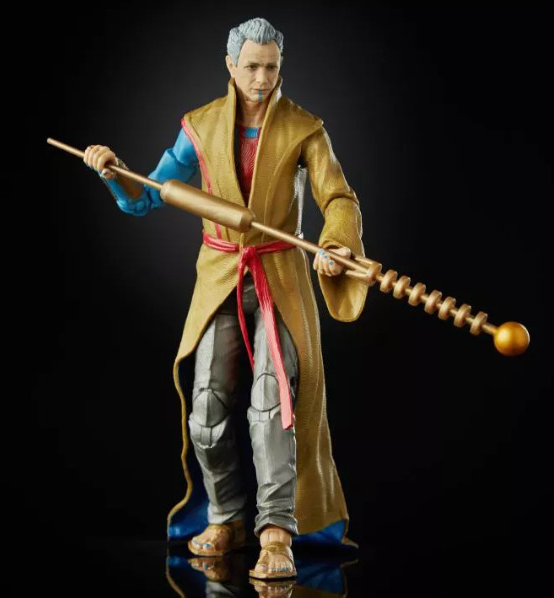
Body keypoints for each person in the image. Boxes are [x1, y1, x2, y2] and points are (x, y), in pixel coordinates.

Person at [83, 17, 368, 580]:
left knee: (272, 405)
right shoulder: (202, 126)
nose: (262, 78)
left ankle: (276, 531)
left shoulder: (304, 129)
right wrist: (114, 173)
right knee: (207, 410)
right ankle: (227, 515)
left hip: (279, 275)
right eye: (252, 66)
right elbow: (146, 196)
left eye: (271, 67)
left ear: (281, 67)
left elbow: (339, 197)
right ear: (231, 66)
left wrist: (335, 243)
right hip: (220, 275)